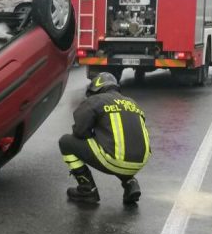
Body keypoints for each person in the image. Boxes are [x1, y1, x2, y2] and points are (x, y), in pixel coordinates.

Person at [59, 72, 151, 205]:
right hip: (140, 162)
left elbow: (80, 132)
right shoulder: (132, 103)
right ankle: (131, 183)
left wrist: (94, 136)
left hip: (116, 160)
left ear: (95, 89)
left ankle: (87, 190)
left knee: (66, 142)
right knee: (121, 149)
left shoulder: (96, 100)